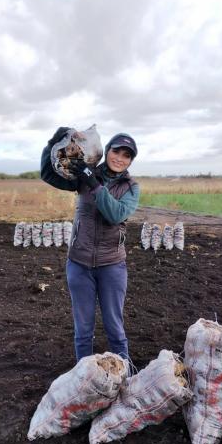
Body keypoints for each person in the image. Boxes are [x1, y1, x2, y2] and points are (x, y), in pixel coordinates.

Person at [40, 127, 140, 364]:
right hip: (79, 263)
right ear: (107, 151)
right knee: (83, 330)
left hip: (112, 266)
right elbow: (48, 175)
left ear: (130, 161)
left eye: (126, 155)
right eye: (116, 151)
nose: (119, 158)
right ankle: (83, 377)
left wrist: (94, 184)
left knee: (114, 328)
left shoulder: (131, 187)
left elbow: (115, 215)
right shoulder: (85, 174)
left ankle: (123, 375)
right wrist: (52, 143)